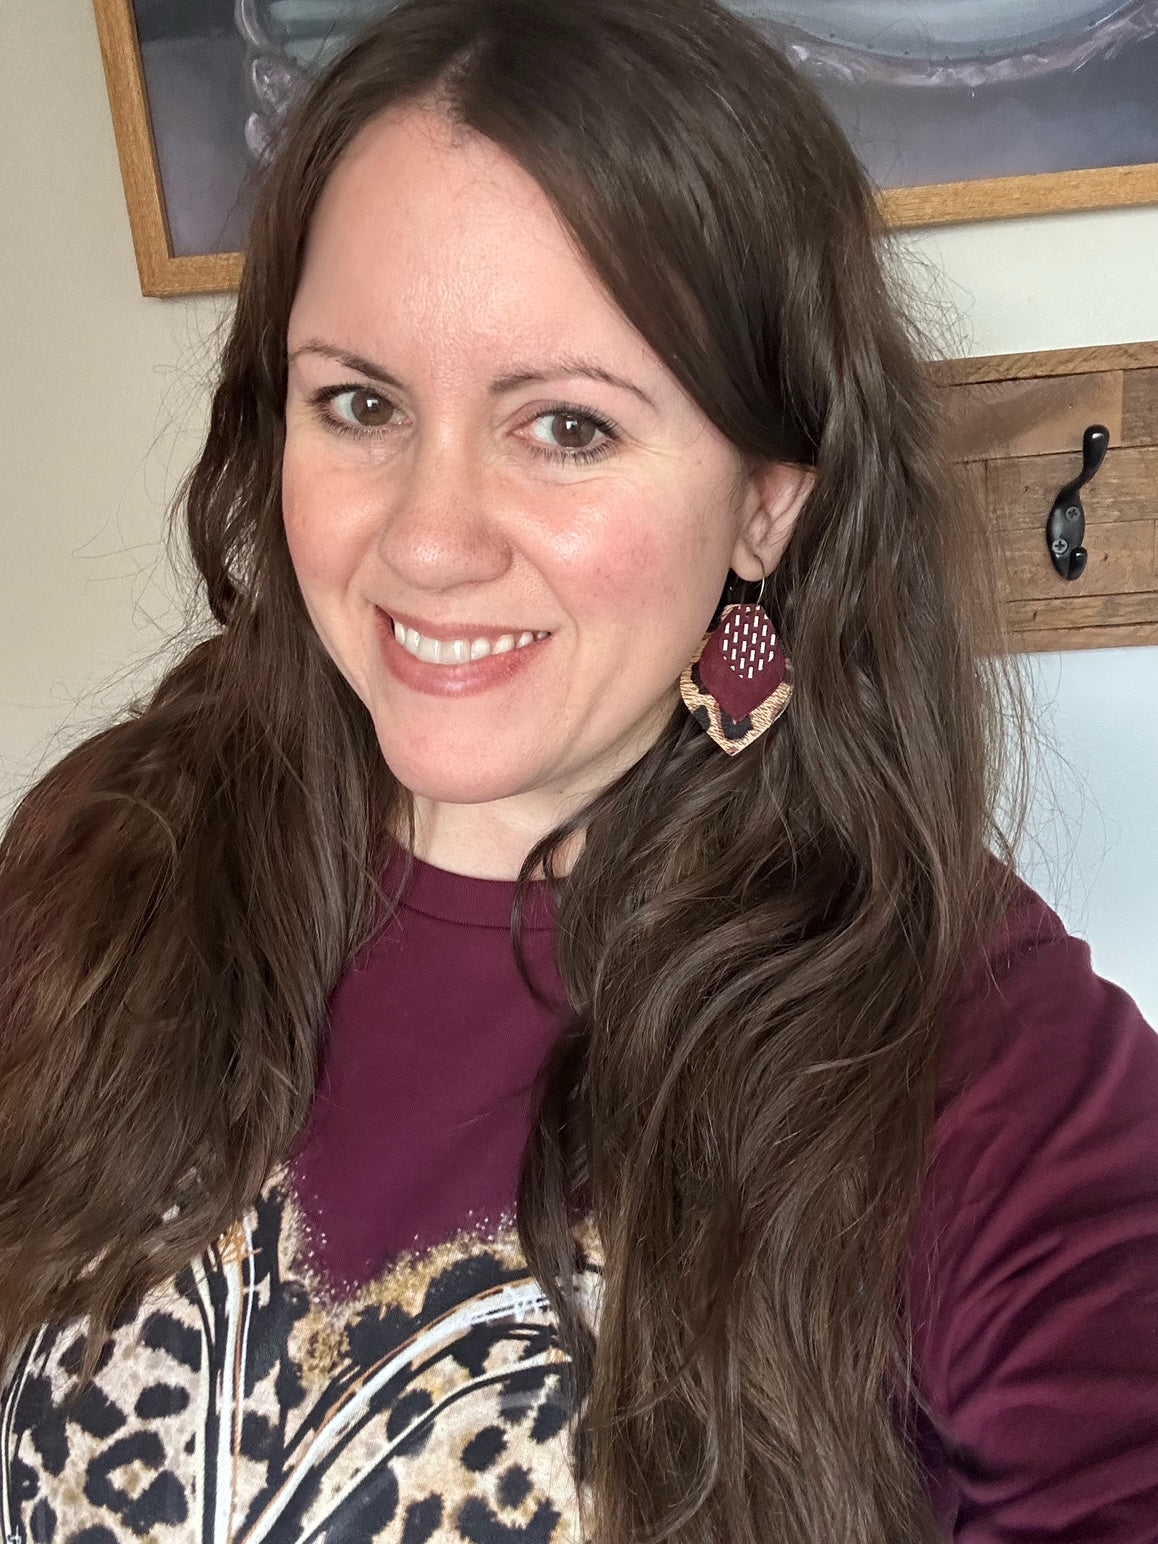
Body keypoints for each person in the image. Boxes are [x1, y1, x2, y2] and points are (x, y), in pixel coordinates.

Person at [1, 0, 1156, 1538]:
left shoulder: (988, 1070)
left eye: (563, 426)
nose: (424, 538)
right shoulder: (107, 846)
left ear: (763, 503)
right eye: (359, 403)